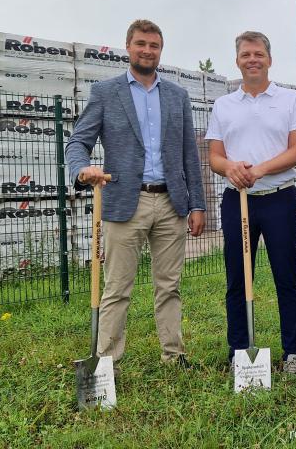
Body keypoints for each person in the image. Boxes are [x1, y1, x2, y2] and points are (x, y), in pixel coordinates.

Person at [66, 19, 206, 371]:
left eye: (154, 45)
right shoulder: (106, 93)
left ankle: (174, 357)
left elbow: (190, 154)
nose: (147, 50)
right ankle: (107, 364)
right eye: (141, 43)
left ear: (161, 50)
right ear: (128, 47)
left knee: (169, 286)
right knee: (117, 288)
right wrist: (82, 169)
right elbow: (78, 141)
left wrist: (197, 204)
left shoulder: (178, 96)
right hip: (125, 202)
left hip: (171, 203)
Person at [207, 31, 296, 374]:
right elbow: (215, 157)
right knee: (238, 277)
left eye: (259, 53)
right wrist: (231, 167)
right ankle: (239, 350)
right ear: (237, 60)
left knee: (287, 277)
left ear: (269, 58)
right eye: (246, 54)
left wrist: (260, 169)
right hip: (238, 202)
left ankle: (293, 353)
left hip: (279, 199)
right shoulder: (223, 105)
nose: (253, 59)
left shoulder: (290, 99)